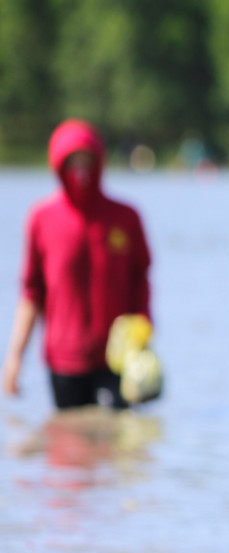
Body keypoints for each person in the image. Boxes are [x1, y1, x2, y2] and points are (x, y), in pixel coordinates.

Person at [4, 119, 153, 410]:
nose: (81, 172)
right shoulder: (42, 219)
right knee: (70, 439)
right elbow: (31, 293)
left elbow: (141, 279)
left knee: (119, 438)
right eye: (73, 163)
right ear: (58, 166)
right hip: (64, 359)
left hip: (117, 356)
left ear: (100, 162)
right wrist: (14, 358)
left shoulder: (125, 217)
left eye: (87, 162)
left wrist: (144, 335)